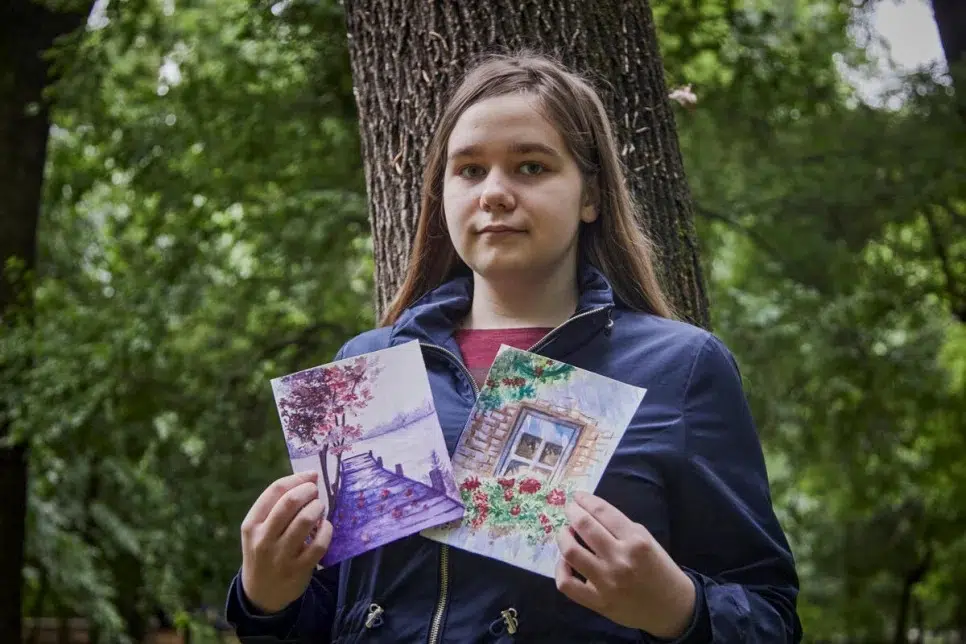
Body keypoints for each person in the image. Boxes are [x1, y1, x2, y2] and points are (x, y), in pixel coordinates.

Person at [225, 52, 803, 643]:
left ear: (590, 196)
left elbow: (771, 617)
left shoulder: (681, 368)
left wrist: (676, 608)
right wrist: (266, 599)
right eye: (469, 170)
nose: (495, 193)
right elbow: (339, 611)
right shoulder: (368, 365)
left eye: (530, 166)